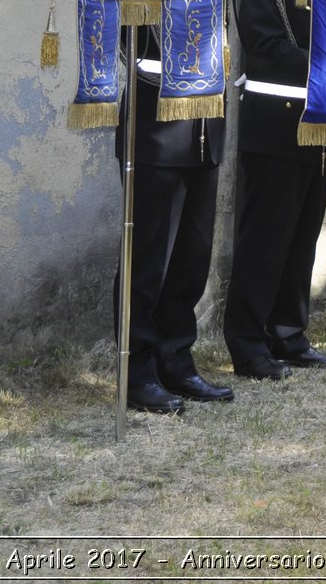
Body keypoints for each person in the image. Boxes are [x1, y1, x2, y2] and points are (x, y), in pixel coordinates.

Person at [222, 0, 326, 378]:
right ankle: (249, 343)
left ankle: (289, 333)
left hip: (315, 128)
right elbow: (267, 51)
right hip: (274, 128)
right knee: (264, 240)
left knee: (302, 237)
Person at [113, 26, 232, 413]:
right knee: (147, 263)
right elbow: (131, 46)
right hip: (157, 133)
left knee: (191, 262)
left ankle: (176, 360)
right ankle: (137, 371)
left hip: (204, 129)